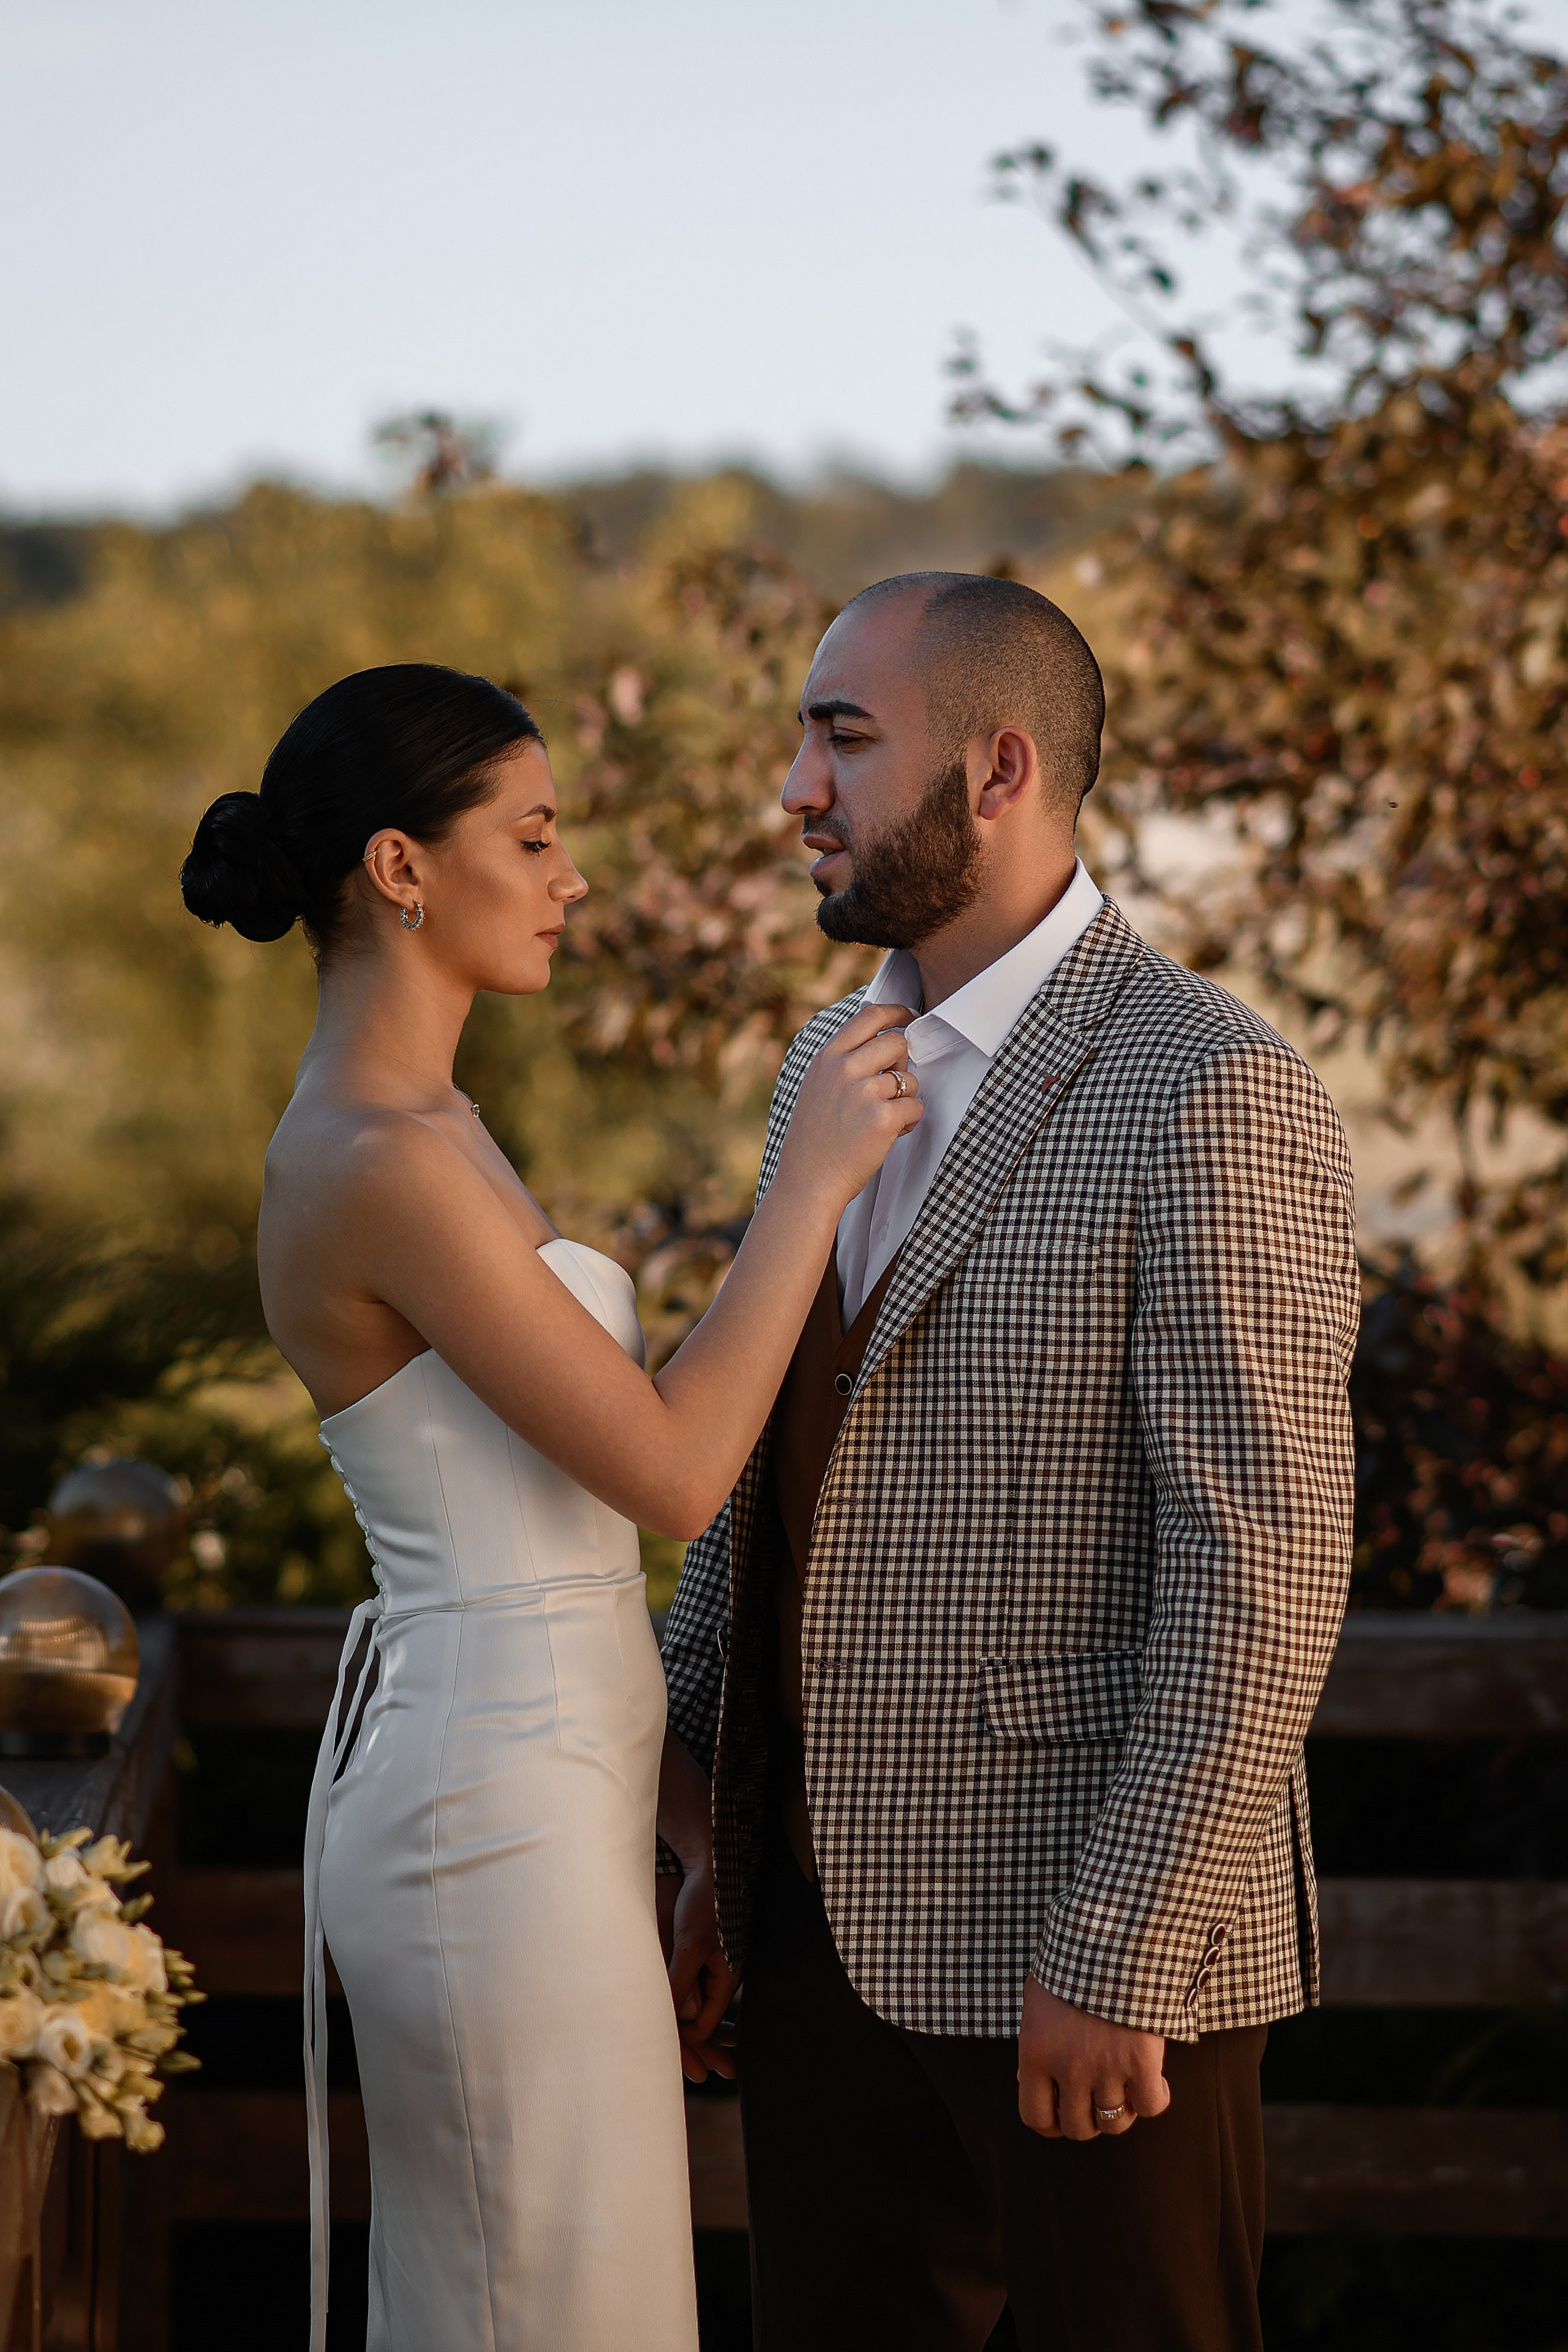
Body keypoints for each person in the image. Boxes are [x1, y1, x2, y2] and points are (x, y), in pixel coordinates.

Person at [178, 663, 923, 2352]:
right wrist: (804, 1183)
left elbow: (561, 1568)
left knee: (589, 2293)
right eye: (533, 833)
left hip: (550, 1793)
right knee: (543, 2302)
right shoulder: (376, 1158)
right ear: (399, 866)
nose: (571, 874)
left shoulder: (445, 1125)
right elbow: (663, 1472)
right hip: (480, 1831)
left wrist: (686, 1830)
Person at [660, 574, 1360, 2351]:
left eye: (842, 736)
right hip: (811, 1948)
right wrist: (703, 1831)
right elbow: (769, 1474)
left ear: (1000, 767)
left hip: (1088, 1959)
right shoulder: (831, 1062)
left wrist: (1122, 1944)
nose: (796, 788)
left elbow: (1261, 1570)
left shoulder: (1210, 1085)